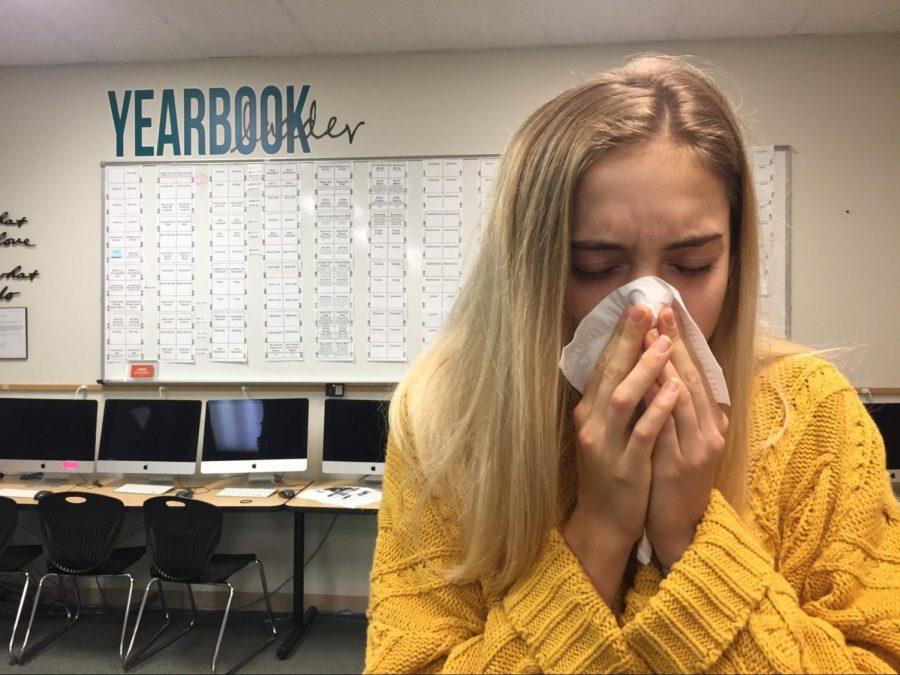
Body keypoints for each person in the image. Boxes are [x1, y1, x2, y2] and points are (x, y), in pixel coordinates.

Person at [365, 55, 900, 673]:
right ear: (531, 269)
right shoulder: (446, 419)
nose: (650, 310)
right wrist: (598, 533)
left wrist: (692, 535)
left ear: (735, 255)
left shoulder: (813, 414)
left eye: (693, 264)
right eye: (596, 269)